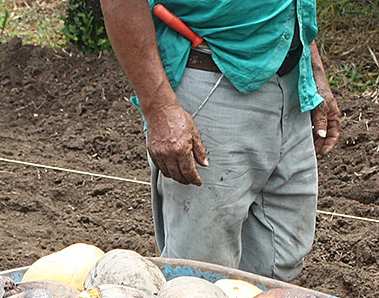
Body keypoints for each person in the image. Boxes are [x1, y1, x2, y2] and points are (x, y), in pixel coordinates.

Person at [99, 0, 342, 282]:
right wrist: (160, 108)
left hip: (291, 79)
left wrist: (314, 73)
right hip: (208, 76)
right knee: (199, 279)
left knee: (279, 268)